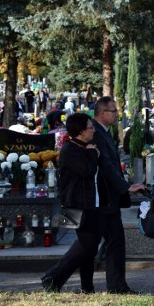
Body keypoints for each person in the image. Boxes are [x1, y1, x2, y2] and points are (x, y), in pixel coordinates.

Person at [41, 113, 102, 293]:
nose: (93, 131)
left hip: (90, 203)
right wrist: (92, 153)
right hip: (77, 204)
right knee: (86, 247)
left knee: (89, 248)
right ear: (82, 131)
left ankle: (87, 287)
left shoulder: (83, 147)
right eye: (91, 127)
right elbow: (87, 171)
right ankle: (52, 278)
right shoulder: (70, 150)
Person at [90, 97, 145, 294]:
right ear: (102, 113)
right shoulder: (96, 133)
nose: (117, 114)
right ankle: (53, 277)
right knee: (88, 247)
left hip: (108, 198)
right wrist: (125, 187)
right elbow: (105, 166)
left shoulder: (104, 132)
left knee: (114, 242)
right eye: (113, 111)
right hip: (103, 198)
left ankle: (117, 286)